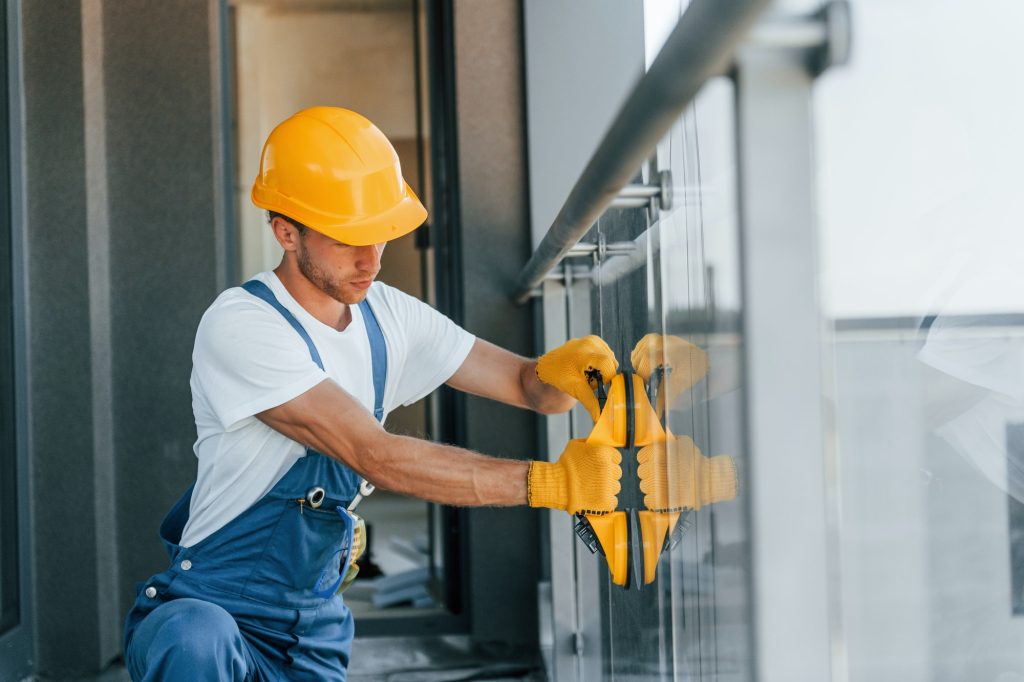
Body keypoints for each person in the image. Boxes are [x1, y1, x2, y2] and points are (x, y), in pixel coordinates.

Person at [122, 107, 625, 681]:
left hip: (313, 628)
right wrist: (550, 483)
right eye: (348, 240)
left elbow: (526, 388)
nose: (371, 261)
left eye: (381, 238)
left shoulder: (387, 315)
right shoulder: (242, 324)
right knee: (192, 640)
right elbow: (373, 455)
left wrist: (566, 374)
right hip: (217, 609)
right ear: (286, 232)